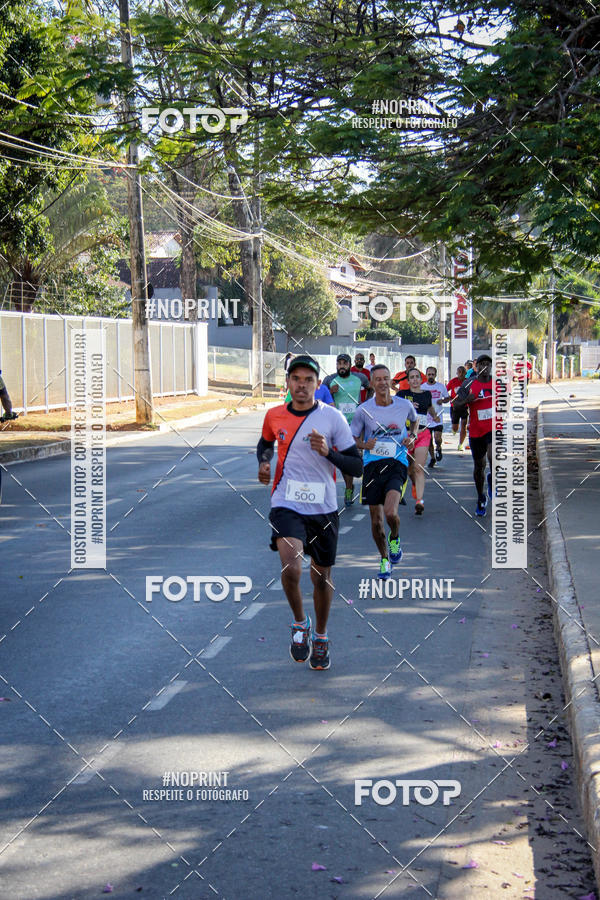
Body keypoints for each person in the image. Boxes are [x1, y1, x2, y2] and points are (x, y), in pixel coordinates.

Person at [258, 355, 363, 670]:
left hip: (324, 508)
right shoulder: (274, 415)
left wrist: (328, 452)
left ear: (318, 385)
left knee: (322, 578)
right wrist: (264, 463)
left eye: (308, 380)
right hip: (286, 502)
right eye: (296, 379)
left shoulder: (332, 419)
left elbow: (356, 466)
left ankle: (320, 636)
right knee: (292, 567)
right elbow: (264, 444)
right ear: (288, 383)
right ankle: (299, 623)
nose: (301, 385)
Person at [351, 365, 418, 578]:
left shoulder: (404, 405)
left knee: (391, 513)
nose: (382, 383)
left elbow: (415, 421)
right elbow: (352, 439)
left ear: (391, 381)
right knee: (376, 521)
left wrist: (413, 437)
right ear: (371, 383)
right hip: (372, 466)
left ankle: (395, 537)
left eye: (385, 378)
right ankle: (384, 559)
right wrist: (364, 446)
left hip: (397, 463)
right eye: (377, 379)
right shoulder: (363, 410)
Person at [322, 354, 371, 506]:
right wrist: (330, 392)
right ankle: (349, 487)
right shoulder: (329, 380)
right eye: (339, 363)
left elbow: (370, 388)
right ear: (336, 365)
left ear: (350, 365)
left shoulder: (360, 378)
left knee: (350, 457)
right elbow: (321, 399)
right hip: (337, 424)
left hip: (355, 423)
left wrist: (365, 403)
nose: (342, 366)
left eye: (345, 363)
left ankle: (350, 487)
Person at [453, 354, 493, 516]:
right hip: (476, 431)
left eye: (488, 364)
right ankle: (481, 497)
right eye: (481, 364)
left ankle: (492, 480)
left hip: (493, 428)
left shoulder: (497, 383)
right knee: (479, 467)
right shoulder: (469, 383)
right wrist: (467, 400)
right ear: (476, 367)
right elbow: (455, 404)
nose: (485, 367)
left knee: (493, 456)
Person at [397, 369, 440, 515]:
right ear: (407, 381)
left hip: (422, 434)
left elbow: (429, 407)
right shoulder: (401, 395)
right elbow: (394, 410)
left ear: (421, 380)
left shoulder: (426, 395)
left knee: (418, 468)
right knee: (409, 469)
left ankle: (419, 501)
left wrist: (434, 415)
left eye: (417, 377)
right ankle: (414, 484)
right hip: (406, 436)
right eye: (411, 378)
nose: (415, 380)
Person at [424, 366, 450, 468]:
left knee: (437, 438)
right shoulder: (422, 387)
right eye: (429, 374)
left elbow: (448, 398)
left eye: (432, 374)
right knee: (429, 441)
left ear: (435, 375)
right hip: (427, 419)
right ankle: (433, 458)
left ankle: (439, 447)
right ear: (426, 375)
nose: (431, 376)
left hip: (438, 417)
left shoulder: (441, 387)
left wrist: (442, 401)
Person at [447, 365, 468, 451]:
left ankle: (460, 444)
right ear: (457, 373)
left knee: (464, 425)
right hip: (454, 407)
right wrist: (450, 399)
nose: (461, 374)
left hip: (464, 406)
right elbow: (445, 391)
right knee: (455, 427)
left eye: (463, 372)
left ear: (465, 373)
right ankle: (454, 430)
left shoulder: (467, 382)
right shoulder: (453, 381)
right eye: (459, 372)